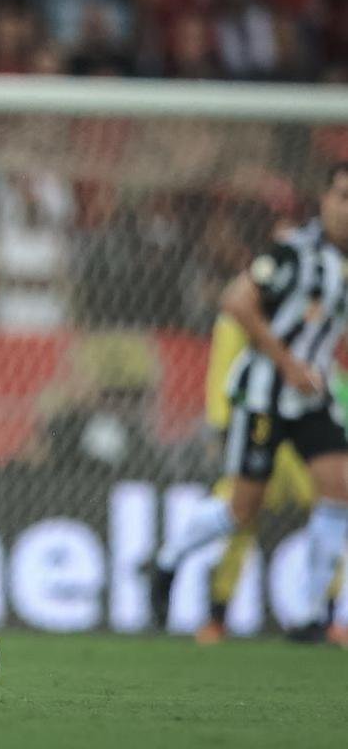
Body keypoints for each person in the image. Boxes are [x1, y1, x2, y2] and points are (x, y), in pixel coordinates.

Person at [150, 164, 348, 644]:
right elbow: (237, 300)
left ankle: (311, 615)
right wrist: (288, 363)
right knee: (242, 509)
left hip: (311, 398)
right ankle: (169, 557)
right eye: (343, 196)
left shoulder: (340, 263)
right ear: (325, 200)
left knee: (339, 489)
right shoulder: (294, 250)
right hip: (265, 393)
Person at [188, 312, 344, 645]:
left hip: (305, 437)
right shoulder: (238, 318)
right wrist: (224, 426)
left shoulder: (317, 307)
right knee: (238, 516)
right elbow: (223, 371)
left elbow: (329, 368)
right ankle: (217, 614)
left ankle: (327, 614)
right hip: (258, 430)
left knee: (334, 509)